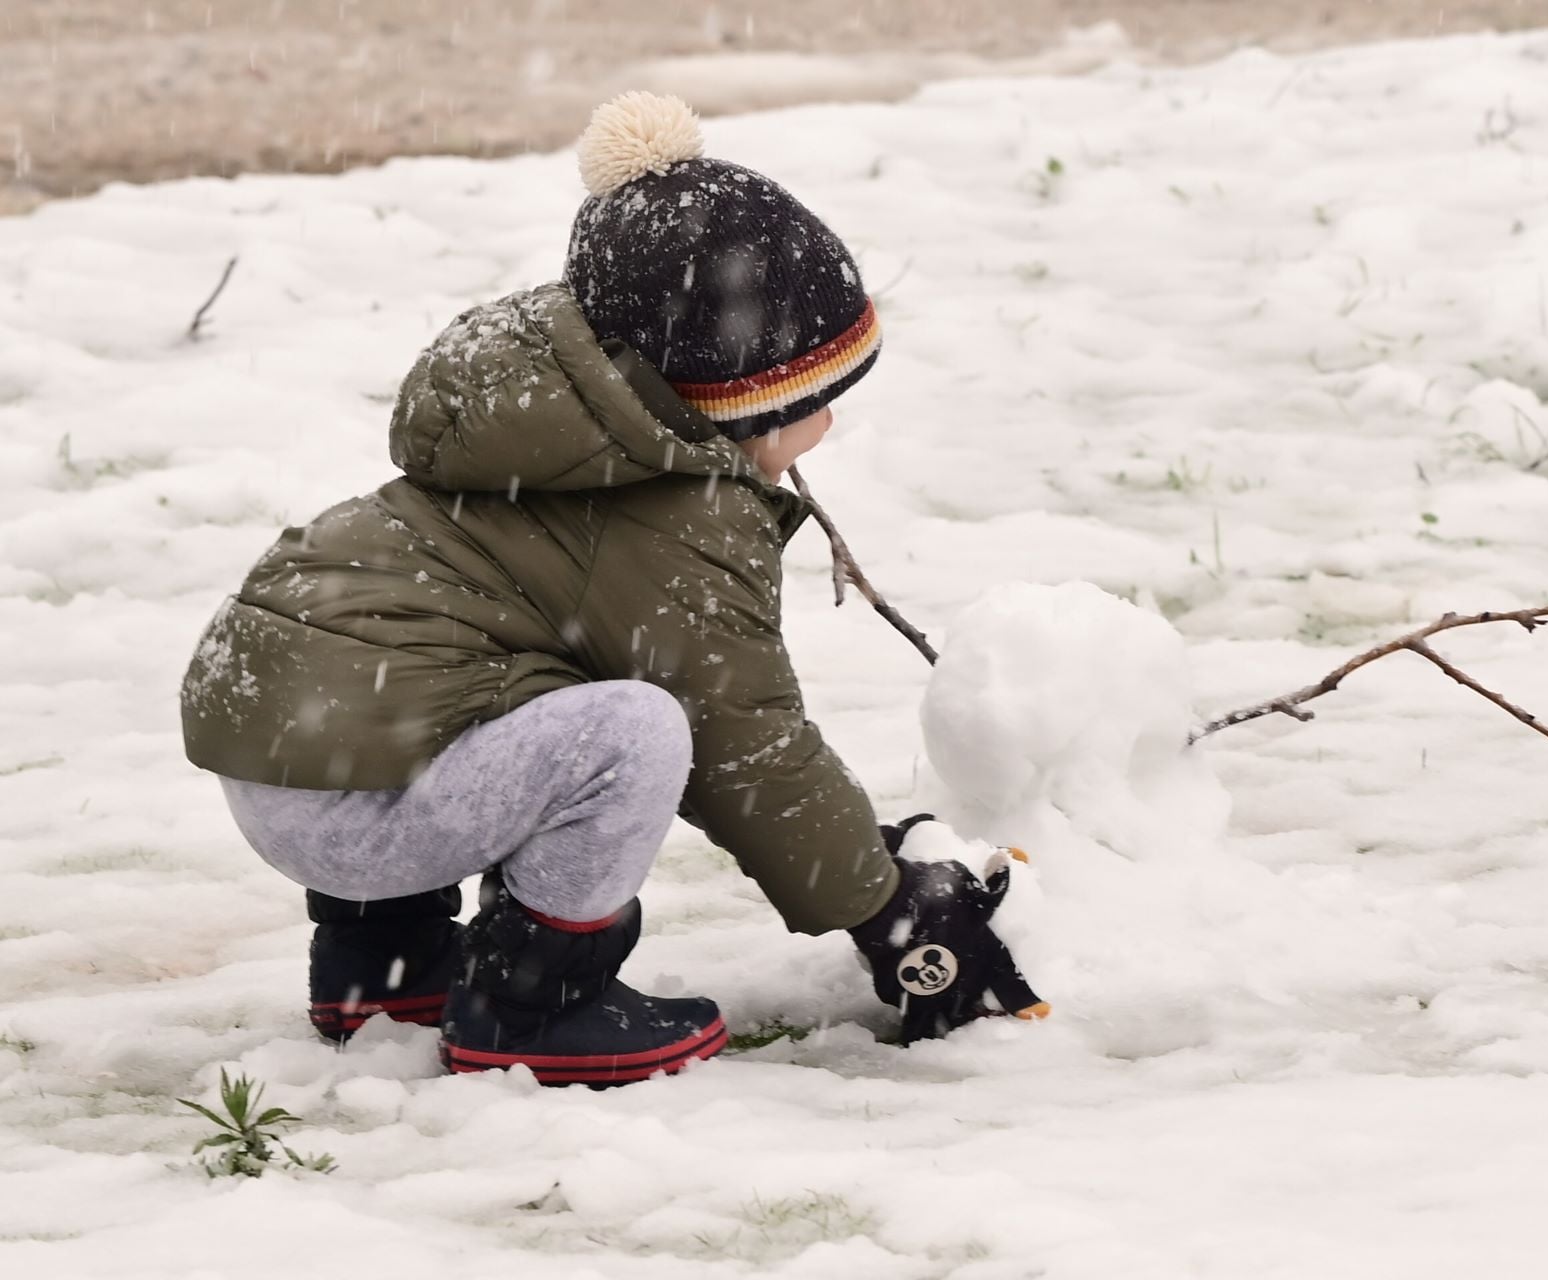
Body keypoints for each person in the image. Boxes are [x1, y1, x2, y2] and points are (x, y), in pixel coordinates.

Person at [178, 92, 1045, 1086]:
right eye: (815, 404)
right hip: (356, 811)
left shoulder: (554, 438)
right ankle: (531, 1008)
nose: (829, 430)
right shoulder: (675, 515)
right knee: (635, 730)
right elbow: (747, 746)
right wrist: (883, 899)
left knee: (470, 675)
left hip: (284, 759)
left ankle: (385, 970)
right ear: (743, 399)